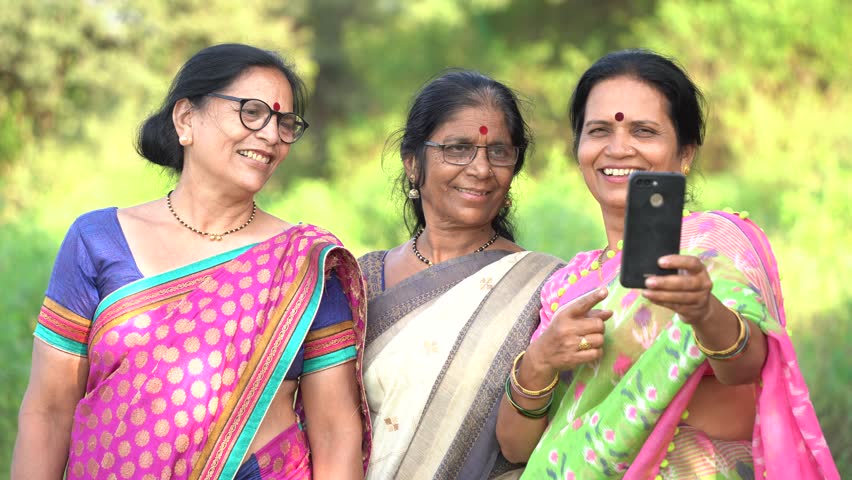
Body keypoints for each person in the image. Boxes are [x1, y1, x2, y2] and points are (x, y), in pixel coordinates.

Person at [12, 43, 370, 480]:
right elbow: (48, 411)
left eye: (284, 122)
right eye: (252, 112)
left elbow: (335, 431)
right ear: (186, 119)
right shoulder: (98, 241)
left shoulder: (305, 264)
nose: (272, 135)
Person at [496, 49, 840, 479]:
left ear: (685, 153)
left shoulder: (714, 243)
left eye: (644, 131)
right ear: (579, 148)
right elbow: (516, 447)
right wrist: (538, 363)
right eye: (599, 130)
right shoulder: (566, 285)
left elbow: (745, 368)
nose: (618, 148)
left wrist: (703, 311)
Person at [358, 70, 564, 479]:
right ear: (412, 163)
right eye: (458, 148)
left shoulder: (545, 285)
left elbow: (553, 437)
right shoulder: (361, 279)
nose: (481, 169)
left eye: (499, 152)